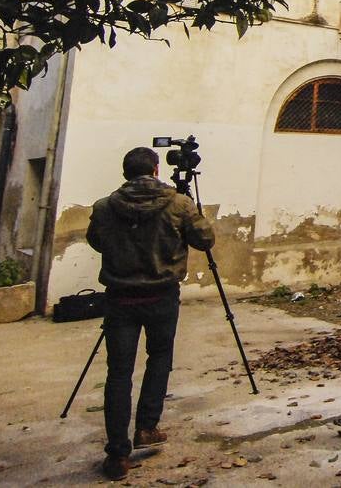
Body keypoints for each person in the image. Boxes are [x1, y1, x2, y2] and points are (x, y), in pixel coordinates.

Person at [85, 146, 215, 481]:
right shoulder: (178, 203)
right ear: (156, 170)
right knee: (159, 358)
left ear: (125, 172)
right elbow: (205, 239)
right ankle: (147, 426)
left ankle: (117, 454)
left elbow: (97, 241)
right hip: (161, 296)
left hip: (120, 297)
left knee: (118, 372)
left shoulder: (104, 207)